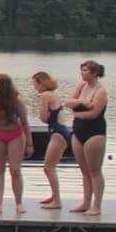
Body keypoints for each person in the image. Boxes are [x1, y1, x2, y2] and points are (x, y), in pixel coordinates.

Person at [66, 61, 109, 216]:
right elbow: (68, 102)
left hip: (95, 132)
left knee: (95, 170)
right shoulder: (81, 86)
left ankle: (96, 205)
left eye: (85, 70)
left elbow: (94, 113)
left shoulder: (100, 91)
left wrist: (77, 114)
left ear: (94, 73)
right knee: (84, 170)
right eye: (81, 70)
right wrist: (82, 102)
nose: (82, 73)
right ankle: (85, 202)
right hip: (78, 131)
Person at [0, 73, 30, 214]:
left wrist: (29, 143)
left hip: (15, 134)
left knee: (15, 170)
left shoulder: (16, 101)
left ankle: (19, 202)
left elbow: (24, 122)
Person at [31, 70, 69, 209]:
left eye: (35, 84)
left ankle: (57, 201)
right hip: (60, 130)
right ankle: (54, 196)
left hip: (57, 132)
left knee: (48, 167)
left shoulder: (46, 95)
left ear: (41, 83)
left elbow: (43, 117)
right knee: (50, 167)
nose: (34, 88)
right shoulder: (53, 94)